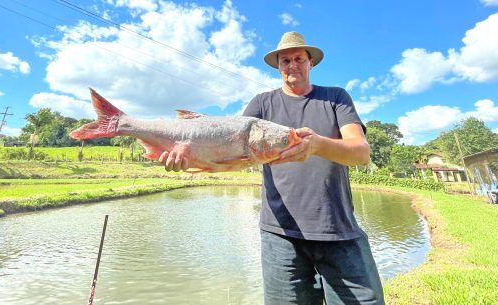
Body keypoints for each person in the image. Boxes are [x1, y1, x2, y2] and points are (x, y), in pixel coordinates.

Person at [160, 31, 383, 305]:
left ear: (310, 62)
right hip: (281, 235)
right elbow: (231, 152)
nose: (292, 65)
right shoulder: (262, 103)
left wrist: (316, 145)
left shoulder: (336, 98)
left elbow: (360, 153)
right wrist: (188, 160)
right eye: (285, 60)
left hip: (339, 230)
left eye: (298, 58)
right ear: (278, 67)